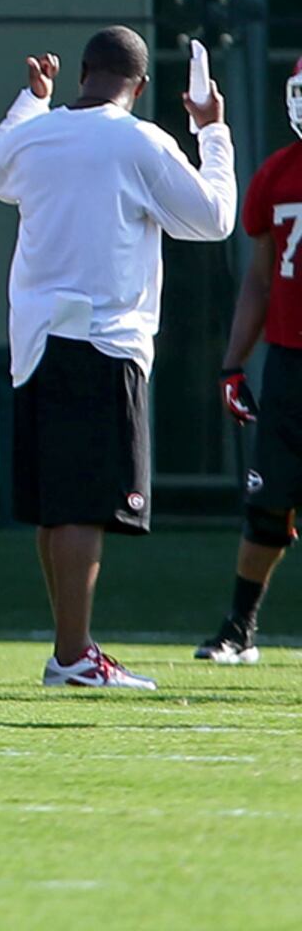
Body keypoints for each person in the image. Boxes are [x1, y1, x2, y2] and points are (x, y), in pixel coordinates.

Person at [0, 26, 235, 689]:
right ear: (139, 87)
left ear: (83, 72)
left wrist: (32, 101)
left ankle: (71, 648)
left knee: (56, 505)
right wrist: (212, 131)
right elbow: (214, 217)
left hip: (34, 340)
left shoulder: (39, 131)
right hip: (104, 339)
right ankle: (74, 653)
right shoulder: (140, 140)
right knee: (85, 506)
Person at [204, 57, 302, 664]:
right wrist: (233, 363)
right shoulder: (276, 175)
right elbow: (259, 282)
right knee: (268, 503)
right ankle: (240, 628)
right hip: (290, 362)